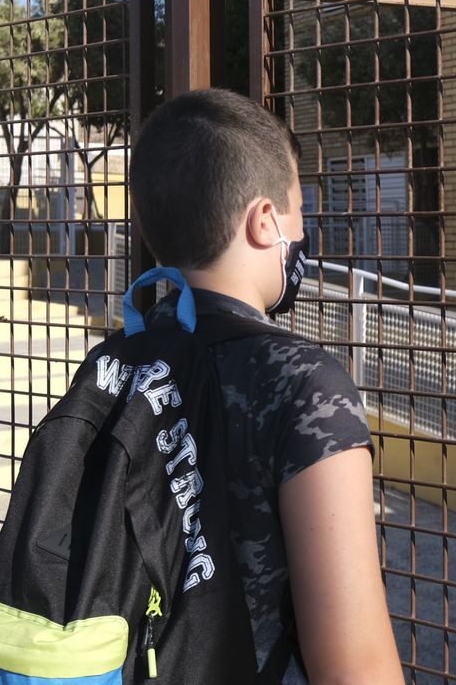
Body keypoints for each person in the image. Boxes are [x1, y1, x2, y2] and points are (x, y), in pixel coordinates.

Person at [125, 88, 403, 684]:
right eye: (299, 210)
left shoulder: (119, 362)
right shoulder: (305, 384)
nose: (304, 231)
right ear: (266, 221)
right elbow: (357, 668)